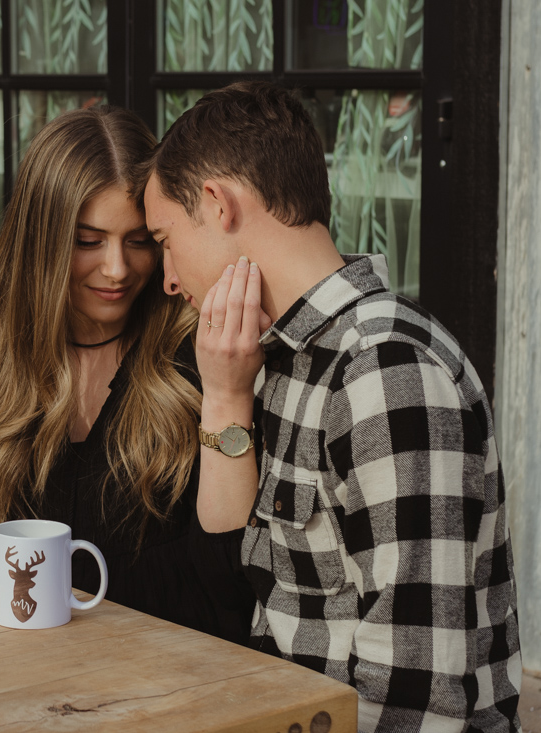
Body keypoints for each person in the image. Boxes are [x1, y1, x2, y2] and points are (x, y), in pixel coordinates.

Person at [142, 80, 521, 731]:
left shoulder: (385, 369)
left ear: (217, 203)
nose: (169, 278)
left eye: (165, 239)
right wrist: (225, 395)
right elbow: (242, 571)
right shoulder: (283, 354)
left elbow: (417, 692)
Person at [0, 105, 255, 644]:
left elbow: (234, 583)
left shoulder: (205, 362)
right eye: (88, 241)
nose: (117, 269)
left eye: (140, 241)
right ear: (41, 243)